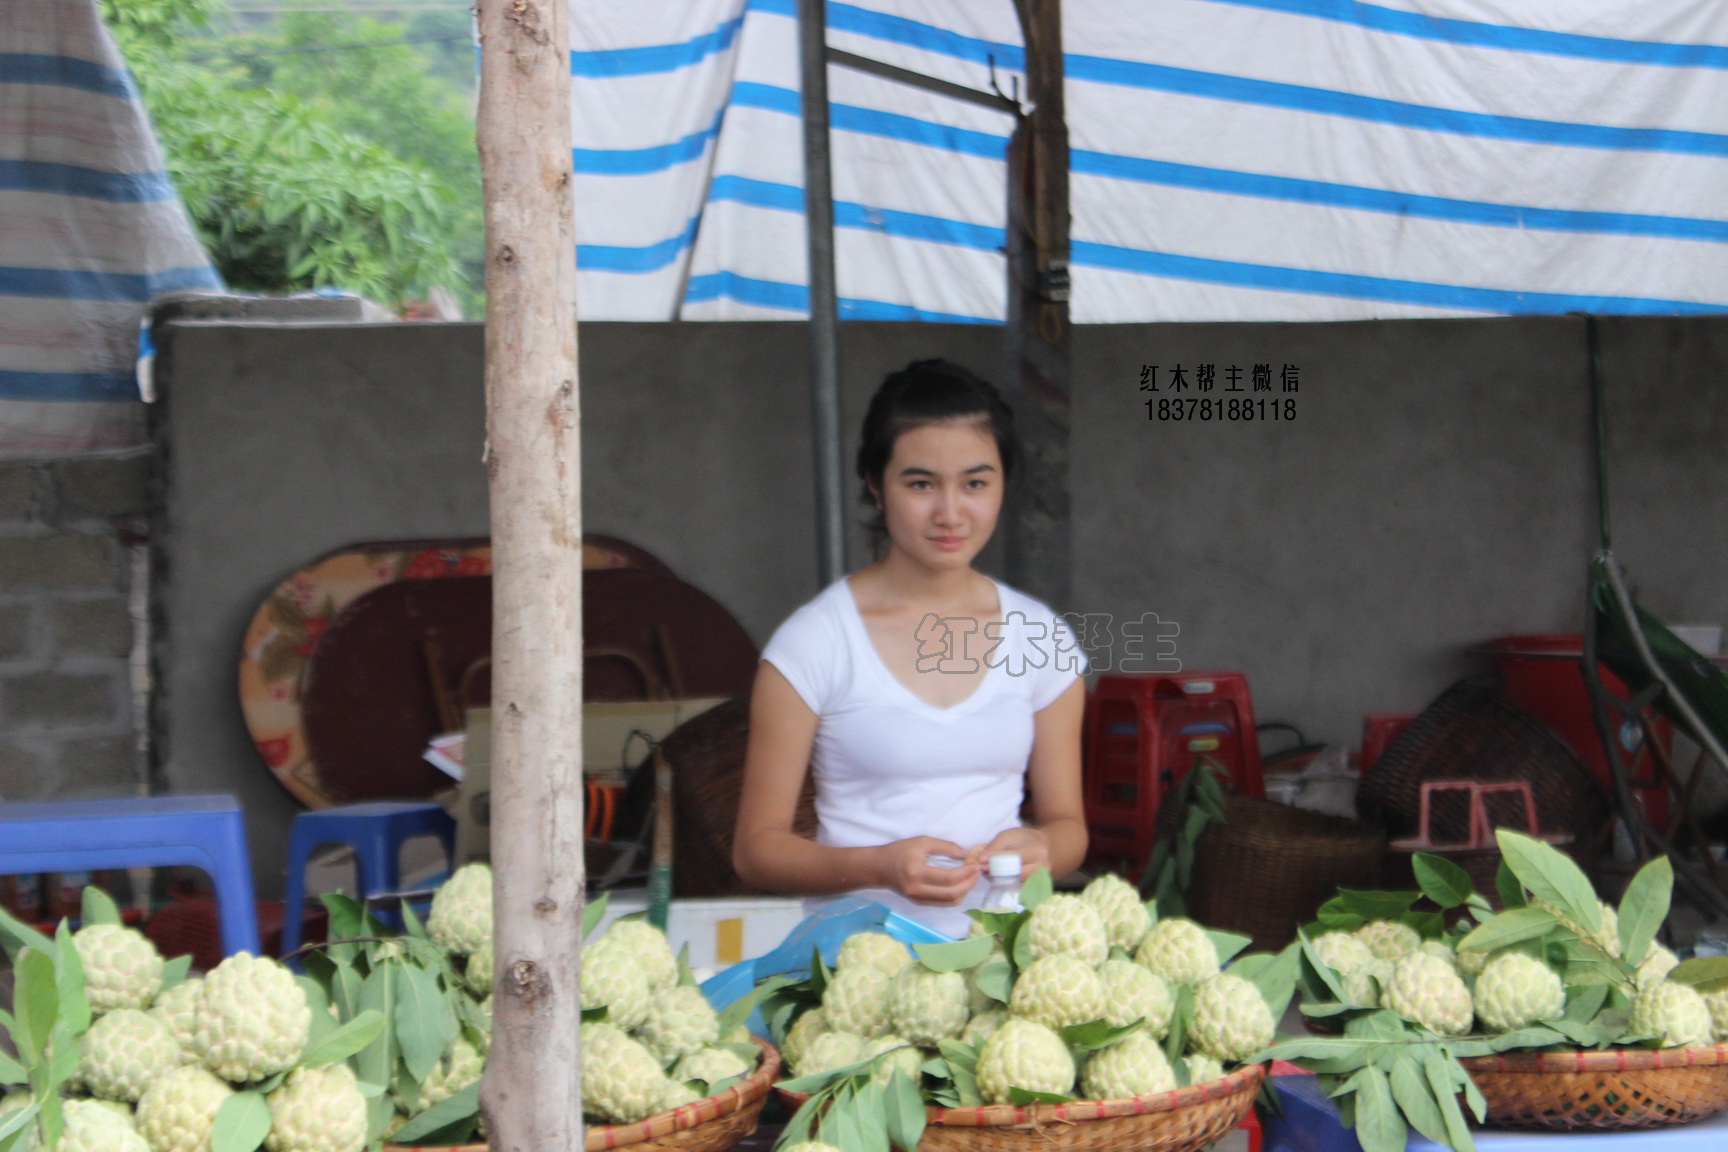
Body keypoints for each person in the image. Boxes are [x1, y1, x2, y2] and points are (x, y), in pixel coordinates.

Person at [732, 359, 1088, 937]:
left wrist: (1043, 846)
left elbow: (1069, 826)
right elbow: (756, 850)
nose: (950, 513)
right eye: (920, 484)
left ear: (1003, 483)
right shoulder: (816, 642)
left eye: (975, 483)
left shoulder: (1041, 638)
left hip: (1000, 970)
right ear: (876, 483)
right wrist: (878, 865)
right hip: (855, 978)